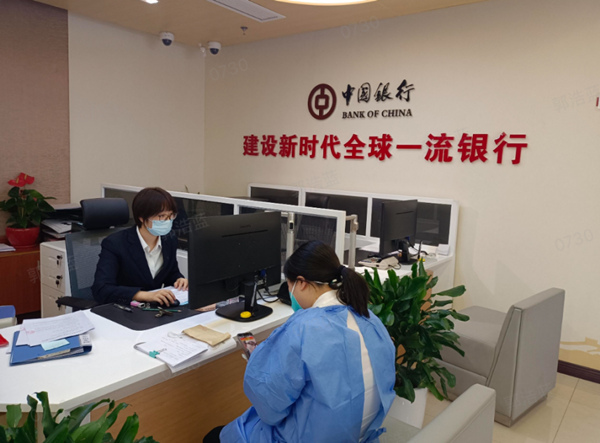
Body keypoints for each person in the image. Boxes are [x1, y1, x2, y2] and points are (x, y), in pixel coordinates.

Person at [214, 241, 396, 443]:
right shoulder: (369, 319)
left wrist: (263, 364)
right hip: (361, 436)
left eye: (289, 286)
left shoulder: (304, 328)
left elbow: (269, 409)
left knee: (219, 434)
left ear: (301, 283)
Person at [92, 187, 187, 306]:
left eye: (171, 215)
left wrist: (179, 280)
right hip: (125, 308)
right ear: (142, 217)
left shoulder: (169, 239)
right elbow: (101, 289)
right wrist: (142, 295)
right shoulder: (115, 243)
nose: (167, 221)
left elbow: (171, 273)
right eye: (161, 216)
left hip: (155, 308)